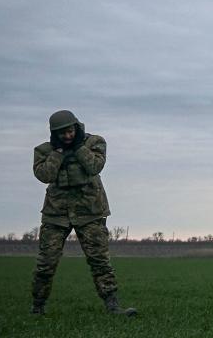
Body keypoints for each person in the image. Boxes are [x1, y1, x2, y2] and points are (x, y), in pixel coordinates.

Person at [30, 110, 136, 316]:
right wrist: (58, 152)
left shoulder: (95, 143)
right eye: (62, 134)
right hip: (56, 213)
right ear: (54, 134)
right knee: (46, 263)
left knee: (100, 261)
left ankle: (113, 307)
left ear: (76, 127)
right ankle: (37, 308)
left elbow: (95, 166)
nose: (67, 136)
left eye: (70, 131)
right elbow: (45, 175)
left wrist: (77, 147)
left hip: (91, 212)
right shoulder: (44, 151)